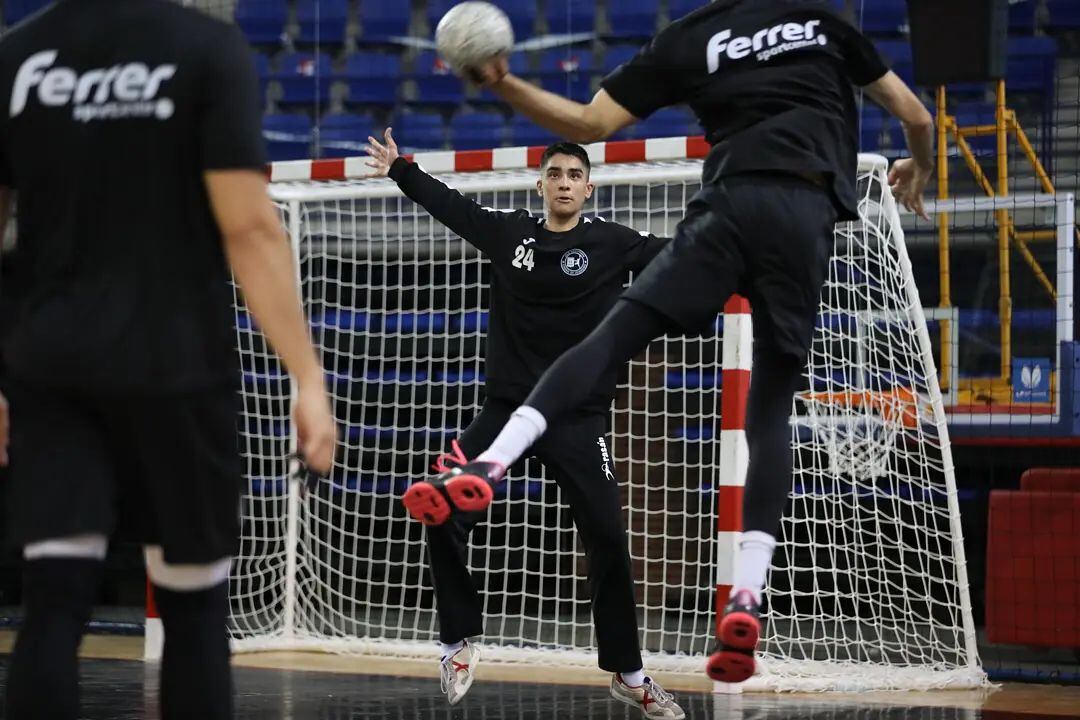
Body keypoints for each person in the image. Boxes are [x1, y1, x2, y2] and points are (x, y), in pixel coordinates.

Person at [415, 0, 934, 684]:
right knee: (770, 408)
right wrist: (917, 167)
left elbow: (587, 123)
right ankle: (747, 591)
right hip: (805, 214)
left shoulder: (687, 39)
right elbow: (917, 116)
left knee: (613, 337)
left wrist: (502, 82)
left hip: (726, 207)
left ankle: (489, 464)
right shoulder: (823, 24)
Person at [0, 1, 337, 717]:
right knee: (191, 612)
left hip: (52, 364)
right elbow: (248, 225)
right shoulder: (205, 47)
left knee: (53, 602)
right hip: (175, 362)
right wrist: (306, 376)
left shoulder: (16, 55)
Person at [365, 131, 684, 718]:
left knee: (609, 539)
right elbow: (453, 207)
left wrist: (749, 245)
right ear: (541, 184)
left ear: (588, 188)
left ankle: (629, 673)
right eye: (554, 173)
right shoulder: (510, 232)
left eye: (574, 175)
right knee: (439, 507)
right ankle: (457, 642)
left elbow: (682, 254)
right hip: (503, 412)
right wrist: (400, 170)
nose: (564, 183)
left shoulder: (615, 243)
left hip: (577, 420)